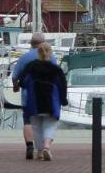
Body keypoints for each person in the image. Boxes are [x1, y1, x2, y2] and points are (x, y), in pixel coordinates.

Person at [20, 43, 69, 161]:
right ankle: (47, 147)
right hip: (51, 101)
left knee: (36, 127)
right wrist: (63, 100)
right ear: (50, 53)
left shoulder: (31, 66)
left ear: (38, 53)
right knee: (50, 124)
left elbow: (22, 81)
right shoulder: (56, 70)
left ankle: (40, 151)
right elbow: (63, 86)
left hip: (34, 100)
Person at [12, 31, 55, 160]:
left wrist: (16, 87)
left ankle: (30, 146)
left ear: (31, 44)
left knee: (29, 122)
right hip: (47, 96)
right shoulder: (51, 58)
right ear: (44, 44)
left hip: (28, 95)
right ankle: (45, 147)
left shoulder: (24, 58)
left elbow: (15, 76)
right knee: (47, 122)